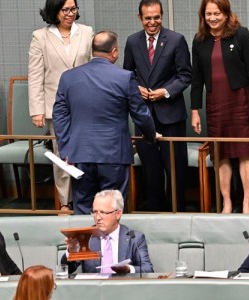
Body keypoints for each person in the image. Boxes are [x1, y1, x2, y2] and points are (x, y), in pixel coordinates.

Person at [52, 31, 157, 215]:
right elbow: (140, 114)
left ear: (93, 51)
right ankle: (110, 244)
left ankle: (87, 243)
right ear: (114, 52)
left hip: (80, 154)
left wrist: (66, 149)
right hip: (114, 154)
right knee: (112, 210)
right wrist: (150, 136)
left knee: (83, 209)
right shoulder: (124, 77)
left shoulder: (68, 77)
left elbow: (59, 116)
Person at [190, 0, 249, 214]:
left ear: (226, 13)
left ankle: (247, 202)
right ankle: (227, 203)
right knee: (220, 154)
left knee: (244, 153)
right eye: (208, 14)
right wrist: (195, 111)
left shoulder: (241, 34)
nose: (212, 18)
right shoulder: (199, 40)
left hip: (240, 100)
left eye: (217, 13)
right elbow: (196, 80)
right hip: (215, 103)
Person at [123, 0, 192, 212]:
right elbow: (127, 75)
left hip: (171, 114)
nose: (152, 22)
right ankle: (155, 212)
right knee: (150, 170)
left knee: (175, 169)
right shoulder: (132, 41)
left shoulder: (176, 40)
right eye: (147, 18)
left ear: (162, 16)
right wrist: (137, 88)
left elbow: (185, 75)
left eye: (156, 17)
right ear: (140, 18)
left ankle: (177, 212)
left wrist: (166, 91)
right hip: (144, 116)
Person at [28, 0, 93, 212]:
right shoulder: (40, 37)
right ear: (54, 11)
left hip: (86, 105)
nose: (69, 14)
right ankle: (66, 202)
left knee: (87, 152)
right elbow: (36, 75)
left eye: (73, 9)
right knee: (62, 153)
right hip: (57, 107)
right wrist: (37, 110)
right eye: (65, 10)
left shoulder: (86, 32)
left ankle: (88, 199)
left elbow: (95, 68)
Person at [61, 190, 154, 274]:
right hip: (94, 291)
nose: (97, 218)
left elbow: (147, 269)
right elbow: (67, 269)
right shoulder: (86, 236)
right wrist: (72, 251)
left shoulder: (135, 238)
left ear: (118, 214)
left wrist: (128, 269)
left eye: (103, 212)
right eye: (95, 212)